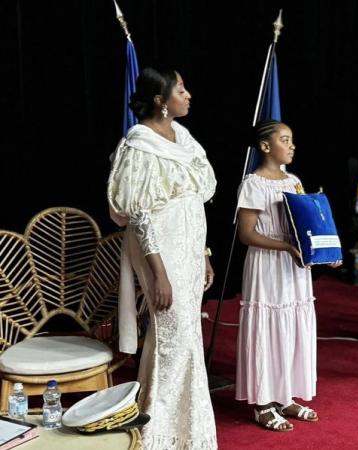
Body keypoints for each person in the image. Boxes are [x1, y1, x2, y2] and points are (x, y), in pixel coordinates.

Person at [107, 67, 217, 449]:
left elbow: (194, 204)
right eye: (181, 89)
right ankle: (157, 432)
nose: (188, 95)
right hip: (160, 249)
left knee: (185, 336)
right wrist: (159, 274)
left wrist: (202, 254)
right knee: (175, 335)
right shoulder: (139, 143)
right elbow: (138, 213)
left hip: (187, 249)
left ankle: (181, 429)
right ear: (160, 99)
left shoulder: (184, 138)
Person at [236, 120, 336, 431]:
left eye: (292, 140)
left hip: (292, 267)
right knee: (267, 329)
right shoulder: (252, 183)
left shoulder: (293, 180)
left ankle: (285, 395)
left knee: (292, 327)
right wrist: (285, 247)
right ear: (266, 146)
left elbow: (307, 224)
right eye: (285, 140)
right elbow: (247, 234)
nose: (292, 146)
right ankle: (263, 403)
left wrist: (326, 250)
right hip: (267, 264)